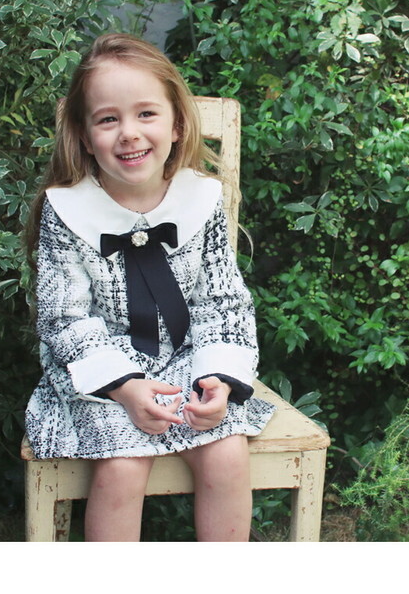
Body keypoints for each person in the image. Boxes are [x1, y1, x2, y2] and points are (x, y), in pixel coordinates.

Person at [24, 33, 275, 542]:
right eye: (108, 119)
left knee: (225, 451)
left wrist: (217, 379)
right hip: (100, 373)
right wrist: (125, 386)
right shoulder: (66, 211)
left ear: (177, 124)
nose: (129, 134)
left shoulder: (201, 200)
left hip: (186, 358)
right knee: (123, 465)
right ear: (84, 135)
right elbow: (64, 319)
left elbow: (222, 302)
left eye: (146, 114)